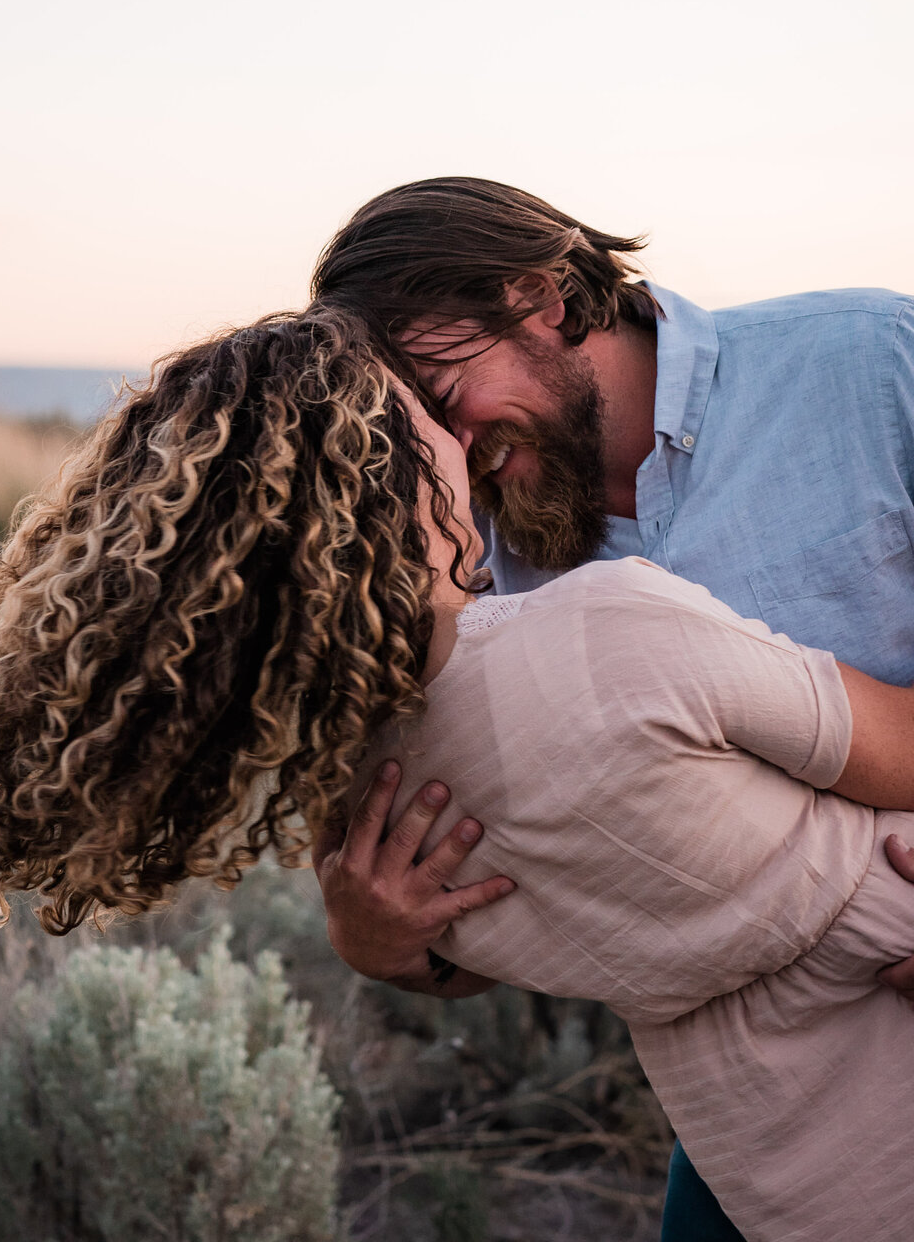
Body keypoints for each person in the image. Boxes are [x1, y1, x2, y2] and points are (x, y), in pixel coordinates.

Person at [0, 309, 914, 1242]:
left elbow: (501, 943)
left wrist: (378, 949)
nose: (462, 449)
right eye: (425, 425)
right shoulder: (615, 630)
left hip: (777, 1172)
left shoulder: (359, 795)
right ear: (388, 483)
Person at [309, 175, 914, 1242]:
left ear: (542, 298)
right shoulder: (460, 567)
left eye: (443, 397)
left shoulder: (871, 363)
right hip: (760, 1121)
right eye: (410, 432)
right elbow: (496, 894)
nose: (451, 452)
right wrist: (385, 942)